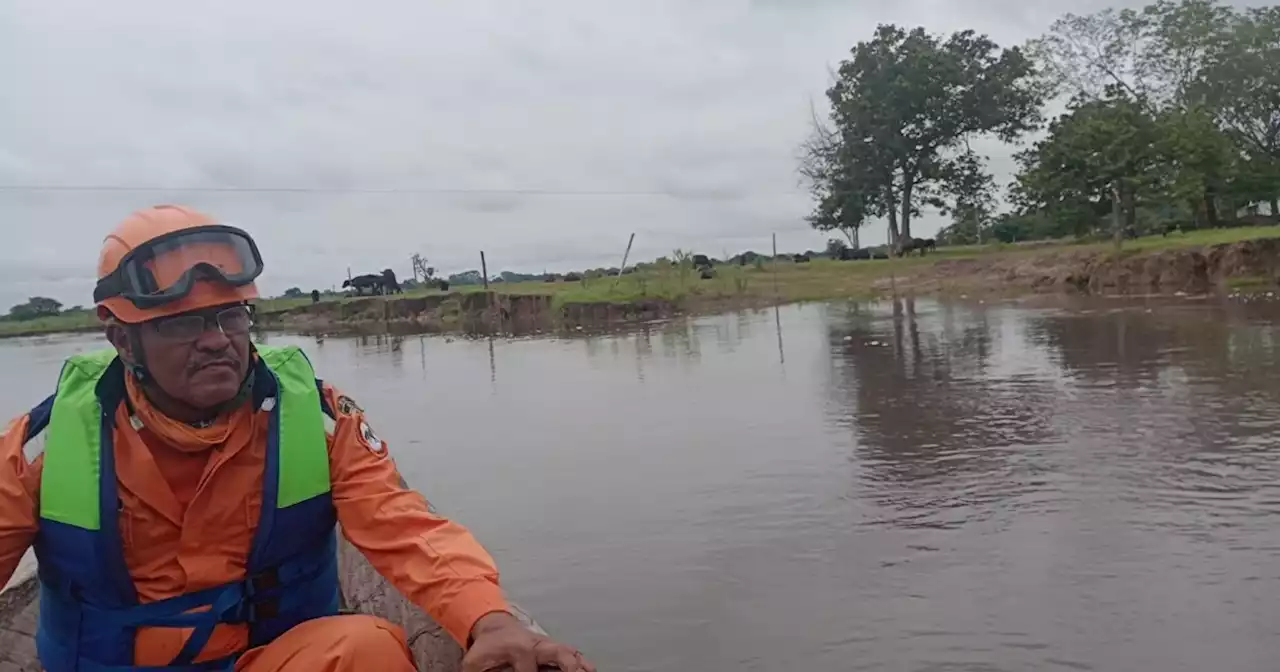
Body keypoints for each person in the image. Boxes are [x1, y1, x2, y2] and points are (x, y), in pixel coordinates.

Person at [0, 205, 596, 672]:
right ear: (121, 339)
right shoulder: (44, 447)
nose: (215, 340)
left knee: (368, 650)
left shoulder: (317, 418)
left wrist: (488, 618)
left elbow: (404, 527)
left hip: (272, 660)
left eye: (230, 316)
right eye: (181, 324)